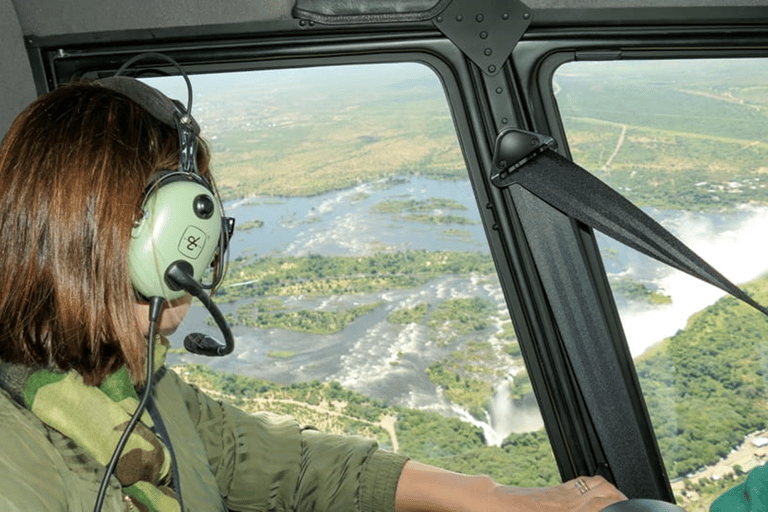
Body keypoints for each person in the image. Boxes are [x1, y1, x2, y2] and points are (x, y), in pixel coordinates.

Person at [0, 79, 626, 512]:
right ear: (86, 242)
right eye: (184, 249)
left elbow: (285, 463)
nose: (190, 277)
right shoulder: (14, 462)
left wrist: (499, 499)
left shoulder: (132, 387)